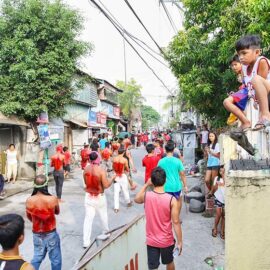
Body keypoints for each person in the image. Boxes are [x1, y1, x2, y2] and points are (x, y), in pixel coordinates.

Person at [135, 167, 182, 270]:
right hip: (166, 240)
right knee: (169, 262)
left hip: (151, 240)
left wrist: (146, 185)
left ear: (152, 180)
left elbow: (136, 199)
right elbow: (176, 222)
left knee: (153, 267)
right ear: (165, 180)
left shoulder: (147, 196)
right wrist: (179, 241)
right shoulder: (171, 200)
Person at [26, 175, 61, 270]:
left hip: (37, 233)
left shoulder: (29, 200)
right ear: (46, 186)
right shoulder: (52, 199)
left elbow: (29, 217)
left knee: (37, 257)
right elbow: (57, 212)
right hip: (50, 232)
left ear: (34, 185)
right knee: (55, 259)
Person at [235, 35, 270, 130]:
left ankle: (266, 116)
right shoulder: (244, 68)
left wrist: (261, 114)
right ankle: (247, 121)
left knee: (256, 79)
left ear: (257, 52)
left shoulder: (261, 61)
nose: (241, 57)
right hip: (265, 97)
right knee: (229, 100)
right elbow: (251, 88)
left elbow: (260, 87)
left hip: (268, 93)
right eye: (239, 55)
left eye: (244, 53)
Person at [83, 152, 114, 248]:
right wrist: (112, 178)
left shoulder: (86, 169)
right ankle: (106, 233)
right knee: (103, 216)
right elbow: (106, 185)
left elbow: (85, 183)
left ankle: (86, 242)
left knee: (88, 219)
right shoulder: (101, 171)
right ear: (98, 159)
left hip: (88, 196)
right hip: (99, 196)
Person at [158, 140, 188, 216]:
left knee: (166, 204)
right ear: (173, 150)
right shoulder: (178, 161)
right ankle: (176, 217)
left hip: (165, 187)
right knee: (178, 203)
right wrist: (185, 186)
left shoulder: (161, 161)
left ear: (165, 150)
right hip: (176, 186)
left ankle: (168, 218)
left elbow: (158, 174)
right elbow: (183, 174)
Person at [223, 55, 249, 129]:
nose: (234, 67)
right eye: (232, 65)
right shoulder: (242, 73)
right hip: (245, 91)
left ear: (241, 63)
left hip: (247, 91)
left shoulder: (245, 70)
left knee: (226, 102)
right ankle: (243, 119)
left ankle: (245, 122)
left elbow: (247, 85)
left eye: (235, 64)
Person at [112, 146, 133, 213]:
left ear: (118, 152)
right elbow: (127, 168)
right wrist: (128, 171)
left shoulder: (114, 159)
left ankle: (116, 207)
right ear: (123, 152)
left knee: (116, 192)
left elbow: (113, 167)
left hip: (115, 176)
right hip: (122, 175)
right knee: (125, 190)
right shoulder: (124, 160)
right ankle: (128, 202)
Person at [207, 166, 225, 240]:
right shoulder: (217, 178)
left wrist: (224, 177)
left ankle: (222, 231)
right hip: (218, 198)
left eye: (223, 171)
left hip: (226, 199)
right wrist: (216, 186)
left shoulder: (227, 178)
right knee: (218, 214)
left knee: (224, 215)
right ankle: (215, 228)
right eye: (220, 171)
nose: (222, 172)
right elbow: (213, 188)